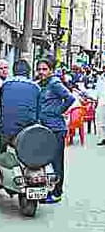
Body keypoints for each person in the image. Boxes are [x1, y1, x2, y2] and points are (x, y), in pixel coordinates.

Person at [37, 58, 76, 203]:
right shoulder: (41, 84)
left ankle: (57, 193)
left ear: (51, 70)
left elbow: (70, 98)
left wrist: (57, 111)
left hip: (56, 129)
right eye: (39, 69)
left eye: (44, 69)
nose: (41, 72)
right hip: (44, 127)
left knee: (56, 161)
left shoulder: (55, 83)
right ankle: (46, 189)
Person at [0, 59, 41, 144]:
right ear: (28, 72)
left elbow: (1, 105)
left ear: (14, 71)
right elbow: (38, 110)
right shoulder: (36, 87)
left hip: (7, 129)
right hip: (28, 129)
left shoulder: (5, 85)